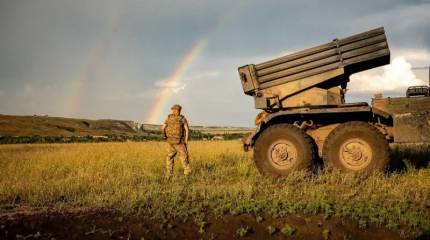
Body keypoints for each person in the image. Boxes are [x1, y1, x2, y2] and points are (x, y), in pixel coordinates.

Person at [161, 104, 191, 177]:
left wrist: (165, 137)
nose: (177, 111)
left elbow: (162, 128)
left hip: (170, 142)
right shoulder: (182, 118)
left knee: (169, 158)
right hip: (179, 142)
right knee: (184, 158)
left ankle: (169, 174)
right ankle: (187, 175)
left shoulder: (168, 118)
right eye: (178, 110)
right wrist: (186, 141)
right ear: (179, 110)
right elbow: (187, 130)